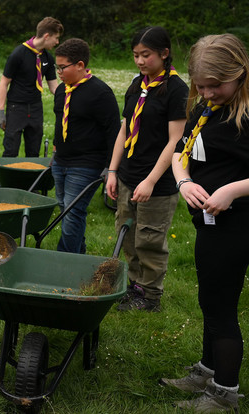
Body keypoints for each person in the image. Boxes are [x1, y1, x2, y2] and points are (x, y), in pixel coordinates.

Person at [161, 33, 249, 413]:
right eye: (201, 85)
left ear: (241, 73)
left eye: (216, 85)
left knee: (221, 306)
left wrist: (233, 190)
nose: (208, 92)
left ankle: (225, 392)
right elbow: (181, 152)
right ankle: (208, 369)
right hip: (209, 224)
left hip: (239, 225)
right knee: (211, 298)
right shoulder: (206, 107)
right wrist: (184, 181)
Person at [105, 26, 188, 312]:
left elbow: (176, 141)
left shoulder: (177, 90)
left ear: (164, 54)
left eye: (146, 55)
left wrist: (151, 180)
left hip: (158, 182)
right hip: (128, 175)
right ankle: (134, 285)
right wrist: (113, 171)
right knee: (128, 235)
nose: (140, 61)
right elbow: (125, 128)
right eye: (136, 55)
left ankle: (150, 296)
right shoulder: (137, 84)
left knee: (150, 239)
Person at [51, 38, 120, 253]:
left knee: (73, 212)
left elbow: (114, 132)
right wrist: (54, 153)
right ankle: (78, 255)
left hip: (86, 163)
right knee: (64, 209)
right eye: (57, 67)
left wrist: (111, 169)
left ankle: (64, 259)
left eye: (62, 67)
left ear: (80, 65)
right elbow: (58, 123)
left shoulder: (100, 93)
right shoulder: (62, 91)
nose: (59, 73)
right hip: (61, 161)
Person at [0, 17, 62, 157]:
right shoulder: (18, 54)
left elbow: (54, 87)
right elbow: (4, 82)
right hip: (16, 108)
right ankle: (7, 179)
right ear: (46, 36)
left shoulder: (48, 59)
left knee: (34, 151)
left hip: (36, 108)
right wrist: (0, 112)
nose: (57, 42)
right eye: (56, 38)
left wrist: (69, 99)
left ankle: (31, 179)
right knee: (11, 150)